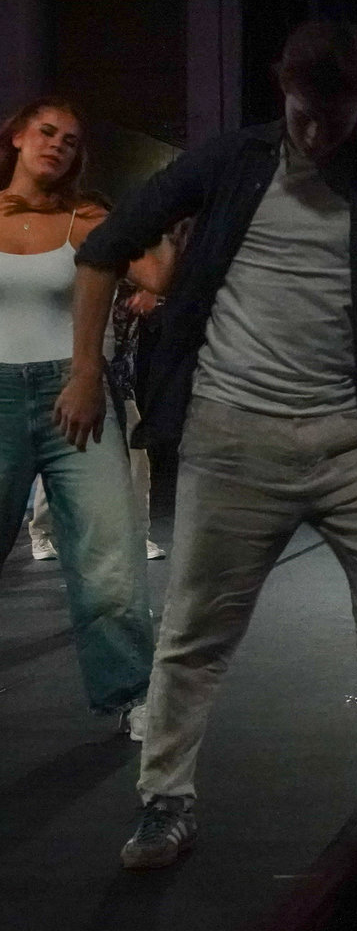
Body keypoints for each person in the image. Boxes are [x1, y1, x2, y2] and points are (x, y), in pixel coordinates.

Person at [64, 25, 357, 870]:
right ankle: (164, 801)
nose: (319, 132)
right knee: (195, 629)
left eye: (338, 117)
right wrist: (83, 369)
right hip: (233, 437)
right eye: (305, 113)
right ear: (279, 87)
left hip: (347, 444)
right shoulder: (231, 161)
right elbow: (106, 246)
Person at [1, 97, 167, 742]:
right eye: (46, 132)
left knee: (109, 554)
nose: (56, 145)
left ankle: (131, 693)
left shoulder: (85, 219)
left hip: (75, 392)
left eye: (69, 141)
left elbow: (159, 275)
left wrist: (148, 212)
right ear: (18, 137)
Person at [26, 282, 168, 561]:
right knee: (64, 447)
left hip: (118, 382)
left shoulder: (135, 285)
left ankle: (138, 535)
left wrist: (150, 295)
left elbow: (167, 289)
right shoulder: (85, 284)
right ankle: (42, 532)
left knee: (137, 456)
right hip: (77, 380)